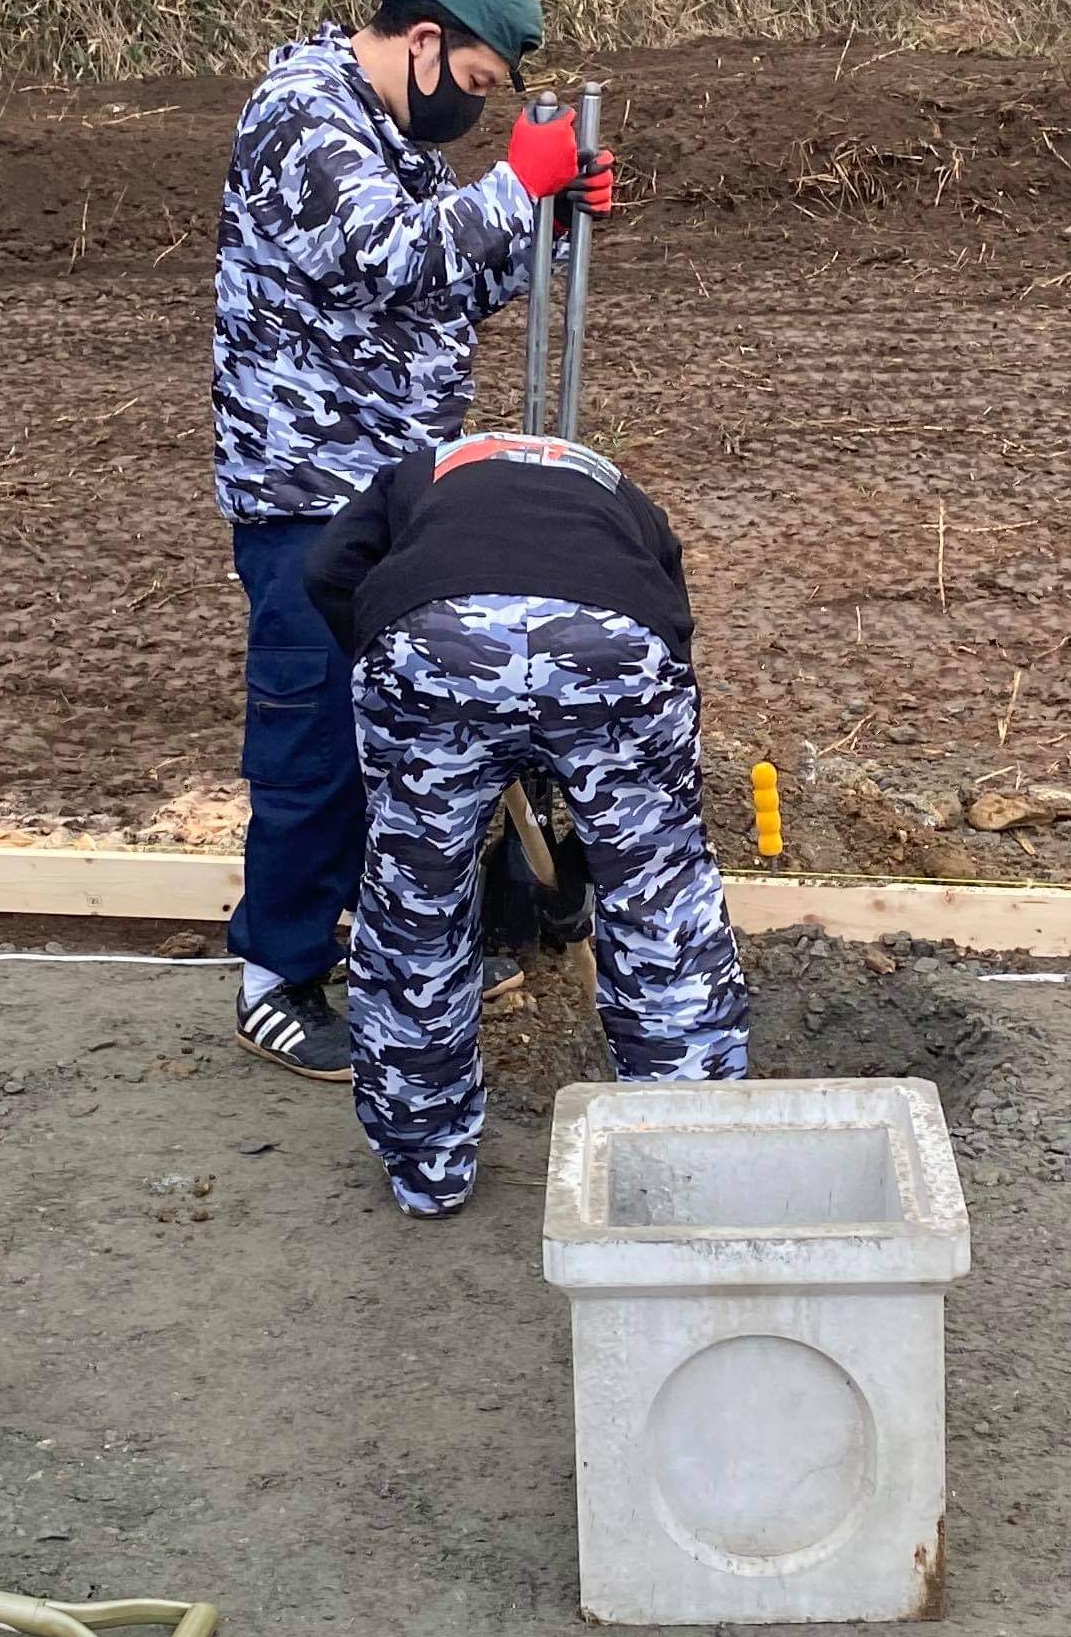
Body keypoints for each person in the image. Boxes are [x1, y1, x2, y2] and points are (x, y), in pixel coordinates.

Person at [211, 0, 610, 1079]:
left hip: (397, 488)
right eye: (476, 87)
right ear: (424, 41)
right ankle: (276, 975)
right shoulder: (302, 115)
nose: (473, 112)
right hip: (305, 487)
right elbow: (389, 258)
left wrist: (552, 222)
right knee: (313, 739)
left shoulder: (390, 137)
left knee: (405, 726)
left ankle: (399, 942)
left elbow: (452, 284)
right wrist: (514, 186)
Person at [300, 433, 749, 1216]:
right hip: (614, 644)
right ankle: (689, 1165)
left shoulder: (417, 474)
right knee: (660, 899)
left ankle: (427, 1168)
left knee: (419, 908)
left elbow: (327, 571)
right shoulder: (618, 491)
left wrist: (389, 666)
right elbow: (671, 619)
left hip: (429, 641)